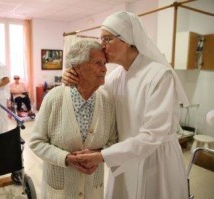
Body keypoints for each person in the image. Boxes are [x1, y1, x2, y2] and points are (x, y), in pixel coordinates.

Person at [62, 11, 189, 199]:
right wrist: (73, 78)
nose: (101, 45)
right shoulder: (116, 77)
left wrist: (103, 155)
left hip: (156, 159)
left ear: (128, 39)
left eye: (107, 39)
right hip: (124, 157)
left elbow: (152, 136)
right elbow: (92, 101)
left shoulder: (159, 75)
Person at [29, 40, 117, 199]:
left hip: (93, 190)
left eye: (104, 63)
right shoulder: (54, 98)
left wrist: (98, 156)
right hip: (59, 191)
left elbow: (112, 141)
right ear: (78, 67)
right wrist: (66, 158)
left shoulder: (107, 101)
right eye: (98, 63)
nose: (104, 69)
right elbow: (36, 142)